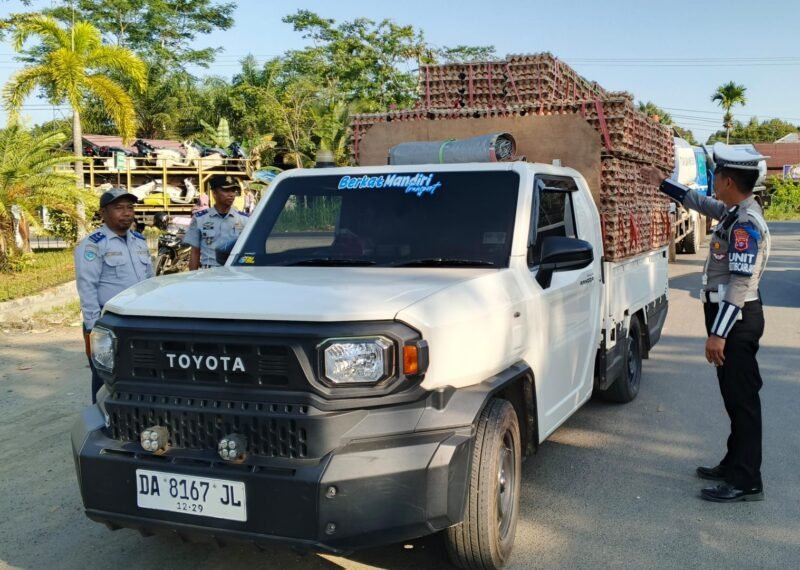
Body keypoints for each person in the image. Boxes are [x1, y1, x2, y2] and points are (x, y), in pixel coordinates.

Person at [640, 142, 771, 503]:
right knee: (734, 399)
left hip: (736, 320)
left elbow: (740, 284)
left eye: (716, 176)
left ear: (728, 180)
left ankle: (747, 480)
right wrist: (661, 182)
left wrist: (718, 333)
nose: (713, 181)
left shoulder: (745, 224)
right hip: (731, 319)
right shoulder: (734, 210)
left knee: (742, 401)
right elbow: (701, 203)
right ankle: (734, 464)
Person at [74, 187, 154, 403]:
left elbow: (150, 280)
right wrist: (92, 327)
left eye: (130, 207)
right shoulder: (93, 244)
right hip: (107, 322)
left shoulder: (139, 241)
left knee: (142, 374)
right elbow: (87, 286)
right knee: (105, 378)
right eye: (119, 208)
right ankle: (104, 424)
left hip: (141, 320)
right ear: (103, 213)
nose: (127, 213)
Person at [184, 175, 250, 270]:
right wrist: (193, 278)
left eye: (233, 191)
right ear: (214, 193)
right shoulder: (200, 219)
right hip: (209, 273)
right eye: (226, 191)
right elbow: (195, 252)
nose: (231, 194)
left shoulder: (245, 220)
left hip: (234, 273)